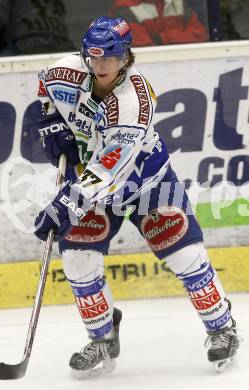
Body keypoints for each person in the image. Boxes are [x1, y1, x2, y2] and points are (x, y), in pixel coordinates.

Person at [34, 16, 240, 377]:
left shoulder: (134, 100)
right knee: (79, 259)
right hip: (91, 184)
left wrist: (68, 201)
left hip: (146, 181)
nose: (100, 67)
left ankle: (222, 328)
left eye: (109, 59)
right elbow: (44, 92)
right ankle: (102, 337)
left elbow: (112, 167)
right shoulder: (63, 72)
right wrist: (51, 124)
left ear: (125, 57)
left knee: (184, 253)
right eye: (94, 58)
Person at [109, 0, 208, 46]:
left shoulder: (178, 2)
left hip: (188, 64)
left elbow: (201, 36)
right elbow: (145, 50)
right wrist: (178, 37)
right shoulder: (124, 9)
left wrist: (163, 38)